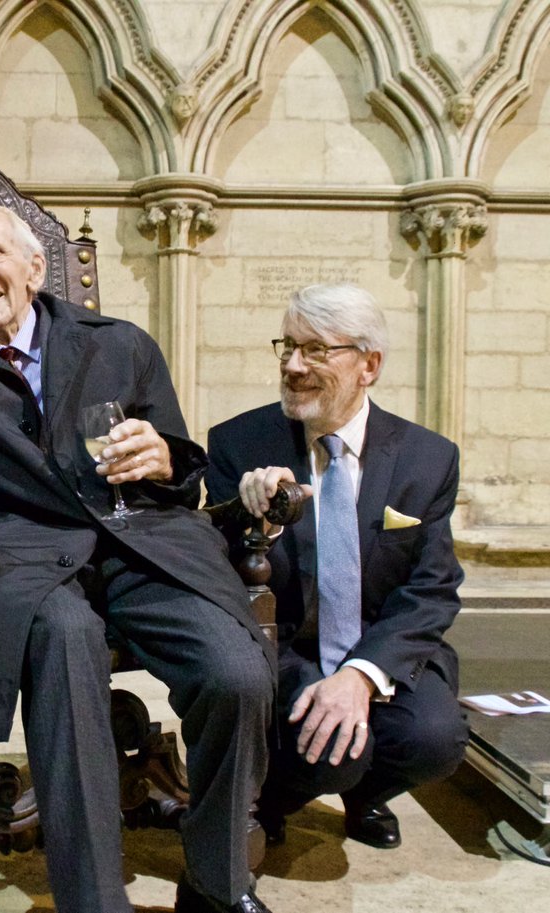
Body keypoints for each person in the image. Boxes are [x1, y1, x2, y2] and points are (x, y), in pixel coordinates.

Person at [0, 205, 276, 913]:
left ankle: (217, 878)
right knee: (65, 636)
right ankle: (93, 900)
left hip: (139, 540)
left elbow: (183, 475)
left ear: (35, 268)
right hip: (20, 557)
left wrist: (164, 455)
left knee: (237, 675)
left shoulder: (121, 346)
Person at [206, 282, 468, 850]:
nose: (294, 366)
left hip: (376, 647)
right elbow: (212, 572)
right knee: (333, 751)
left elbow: (433, 588)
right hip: (285, 650)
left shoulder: (428, 458)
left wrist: (362, 674)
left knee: (435, 742)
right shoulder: (238, 443)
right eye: (288, 347)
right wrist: (257, 522)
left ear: (368, 365)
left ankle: (365, 795)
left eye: (317, 350)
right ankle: (272, 796)